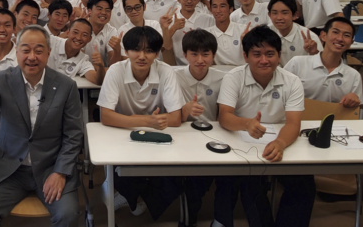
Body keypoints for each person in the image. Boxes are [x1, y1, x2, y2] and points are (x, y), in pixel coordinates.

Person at [0, 25, 83, 227]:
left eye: (39, 50)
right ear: (17, 51)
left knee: (68, 215)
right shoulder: (1, 79)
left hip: (50, 167)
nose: (32, 57)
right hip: (8, 170)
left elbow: (74, 134)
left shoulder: (66, 86)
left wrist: (60, 172)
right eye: (26, 50)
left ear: (48, 52)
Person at [217, 25, 313, 227]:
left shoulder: (292, 81)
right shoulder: (233, 77)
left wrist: (280, 143)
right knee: (252, 181)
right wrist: (246, 124)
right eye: (257, 54)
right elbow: (224, 117)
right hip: (243, 143)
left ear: (279, 55)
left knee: (304, 183)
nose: (264, 60)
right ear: (245, 56)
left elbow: (293, 122)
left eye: (270, 54)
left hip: (281, 140)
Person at [98, 26, 183, 218]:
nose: (142, 56)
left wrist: (135, 120)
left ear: (157, 53)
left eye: (149, 50)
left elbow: (176, 118)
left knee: (173, 174)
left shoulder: (166, 71)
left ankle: (135, 197)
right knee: (121, 171)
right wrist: (147, 120)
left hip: (157, 134)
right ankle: (130, 195)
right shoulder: (115, 70)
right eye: (136, 50)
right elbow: (106, 116)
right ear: (126, 51)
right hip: (122, 134)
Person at [174, 29, 231, 227]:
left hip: (216, 134)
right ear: (184, 55)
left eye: (206, 54)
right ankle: (189, 217)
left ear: (214, 55)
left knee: (230, 174)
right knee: (194, 179)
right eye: (194, 54)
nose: (200, 60)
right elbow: (170, 113)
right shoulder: (174, 77)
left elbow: (225, 113)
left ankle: (221, 219)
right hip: (184, 134)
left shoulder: (223, 78)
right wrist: (185, 110)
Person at [284, 17, 362, 107]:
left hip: (335, 116)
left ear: (351, 43)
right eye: (335, 32)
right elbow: (279, 92)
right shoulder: (297, 63)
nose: (340, 38)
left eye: (346, 35)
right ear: (323, 36)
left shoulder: (353, 76)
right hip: (298, 115)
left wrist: (354, 99)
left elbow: (356, 110)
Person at [164, 0, 216, 66]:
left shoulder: (208, 19)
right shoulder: (170, 21)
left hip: (202, 65)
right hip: (178, 67)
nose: (189, 1)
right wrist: (173, 28)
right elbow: (163, 46)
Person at [267, 0, 321, 66]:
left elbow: (321, 66)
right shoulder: (265, 34)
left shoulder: (310, 37)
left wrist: (314, 53)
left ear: (295, 15)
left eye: (284, 13)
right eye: (275, 13)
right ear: (269, 15)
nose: (279, 17)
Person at [48, 18, 104, 85]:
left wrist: (101, 66)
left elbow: (97, 80)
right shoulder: (50, 42)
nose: (78, 38)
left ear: (89, 39)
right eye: (75, 32)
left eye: (84, 35)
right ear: (68, 33)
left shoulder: (83, 59)